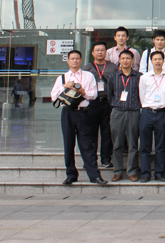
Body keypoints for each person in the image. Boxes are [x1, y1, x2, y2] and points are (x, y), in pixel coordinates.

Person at [51, 50, 107, 185]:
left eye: (77, 58)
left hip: (84, 113)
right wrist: (65, 87)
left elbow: (94, 94)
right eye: (72, 58)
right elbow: (53, 96)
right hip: (68, 113)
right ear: (68, 61)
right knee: (68, 144)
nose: (75, 61)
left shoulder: (88, 76)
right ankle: (71, 174)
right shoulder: (62, 78)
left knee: (87, 144)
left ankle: (94, 175)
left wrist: (82, 92)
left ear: (81, 60)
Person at [107, 50, 142, 182]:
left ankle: (132, 171)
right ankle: (117, 171)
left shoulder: (139, 77)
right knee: (117, 143)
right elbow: (110, 94)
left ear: (133, 60)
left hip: (133, 112)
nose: (125, 61)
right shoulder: (113, 76)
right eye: (123, 58)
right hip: (118, 112)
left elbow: (142, 94)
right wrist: (116, 104)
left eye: (128, 58)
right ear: (119, 60)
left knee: (133, 143)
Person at [138, 50, 165, 183]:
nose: (157, 61)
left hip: (161, 112)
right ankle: (145, 173)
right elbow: (142, 95)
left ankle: (159, 173)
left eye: (160, 59)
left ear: (164, 61)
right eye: (155, 59)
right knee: (144, 146)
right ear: (151, 61)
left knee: (160, 146)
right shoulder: (144, 77)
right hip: (147, 112)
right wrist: (147, 107)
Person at [82, 41, 116, 169]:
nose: (100, 52)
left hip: (108, 102)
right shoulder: (87, 68)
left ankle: (106, 158)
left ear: (106, 52)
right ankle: (91, 160)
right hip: (92, 103)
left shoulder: (113, 67)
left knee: (107, 132)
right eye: (97, 50)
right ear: (92, 53)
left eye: (102, 50)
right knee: (91, 133)